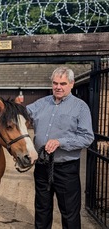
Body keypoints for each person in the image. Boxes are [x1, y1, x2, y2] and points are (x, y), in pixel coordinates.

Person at [25, 66, 94, 229]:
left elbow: (87, 137)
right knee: (42, 211)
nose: (58, 87)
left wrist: (61, 142)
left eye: (63, 83)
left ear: (72, 84)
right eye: (55, 83)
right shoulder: (40, 103)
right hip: (42, 167)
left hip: (66, 169)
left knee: (70, 214)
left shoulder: (81, 107)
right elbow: (21, 115)